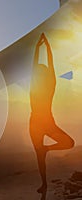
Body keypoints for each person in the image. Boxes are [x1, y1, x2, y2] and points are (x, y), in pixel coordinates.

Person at [29, 33, 75, 194]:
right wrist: (44, 47)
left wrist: (41, 47)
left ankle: (46, 149)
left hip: (45, 123)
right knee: (39, 156)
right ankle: (44, 184)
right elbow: (42, 67)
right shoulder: (40, 86)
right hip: (38, 124)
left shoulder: (46, 87)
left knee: (69, 143)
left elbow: (44, 67)